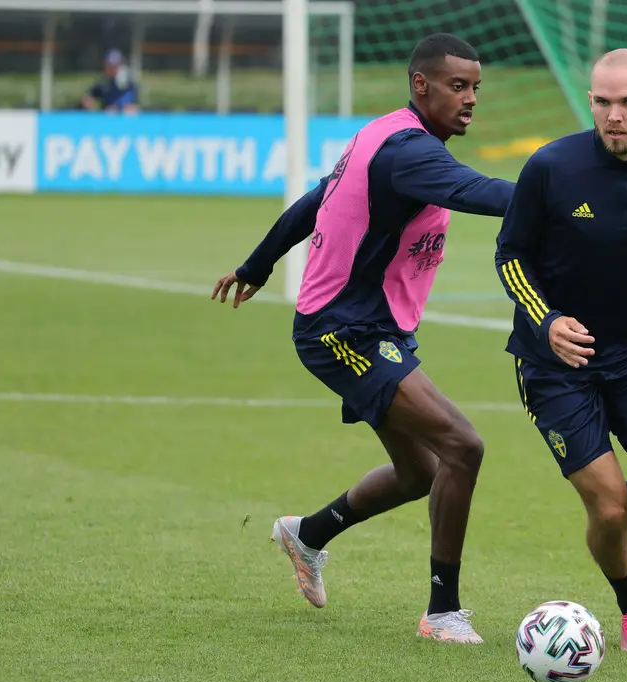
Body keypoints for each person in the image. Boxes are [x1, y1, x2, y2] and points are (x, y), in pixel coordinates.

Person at [211, 33, 513, 645]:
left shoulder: (382, 135)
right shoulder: (410, 153)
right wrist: (571, 192)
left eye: (476, 87)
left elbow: (314, 200)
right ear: (420, 84)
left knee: (420, 471)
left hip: (371, 326)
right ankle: (442, 611)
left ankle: (308, 534)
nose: (471, 99)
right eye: (459, 86)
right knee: (463, 446)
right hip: (342, 331)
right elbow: (479, 193)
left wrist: (258, 264)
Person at [493, 48, 627, 654]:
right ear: (590, 101)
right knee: (605, 510)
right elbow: (509, 255)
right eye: (602, 102)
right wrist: (548, 321)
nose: (613, 115)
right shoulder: (550, 167)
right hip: (555, 364)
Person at [80, 49, 140, 114]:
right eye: (108, 65)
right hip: (107, 116)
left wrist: (119, 107)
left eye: (113, 65)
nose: (110, 68)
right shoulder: (103, 82)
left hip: (123, 115)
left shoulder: (127, 81)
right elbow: (90, 97)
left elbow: (131, 102)